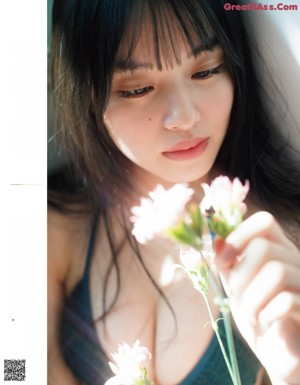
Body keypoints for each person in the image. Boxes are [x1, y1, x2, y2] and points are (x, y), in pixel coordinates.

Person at [48, 1, 300, 385]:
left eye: (207, 70)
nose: (184, 117)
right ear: (86, 94)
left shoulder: (285, 238)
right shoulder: (58, 225)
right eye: (137, 89)